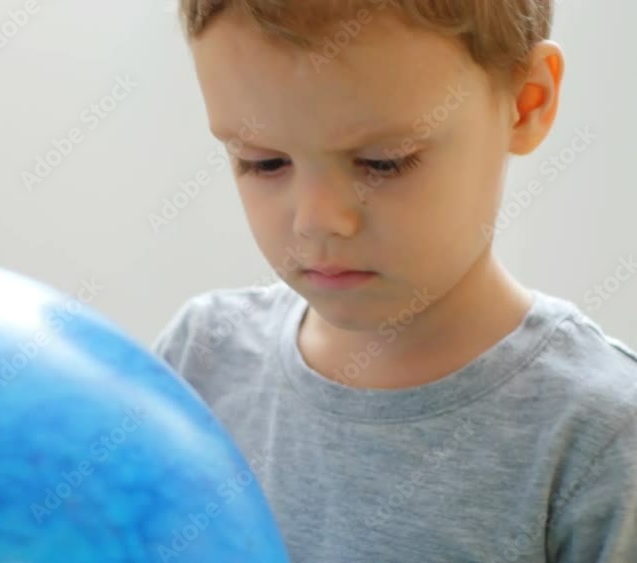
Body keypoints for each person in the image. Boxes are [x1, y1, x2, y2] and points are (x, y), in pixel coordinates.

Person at [152, 1, 637, 561]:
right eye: (264, 162)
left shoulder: (600, 438)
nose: (317, 220)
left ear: (527, 101)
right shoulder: (200, 361)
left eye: (383, 162)